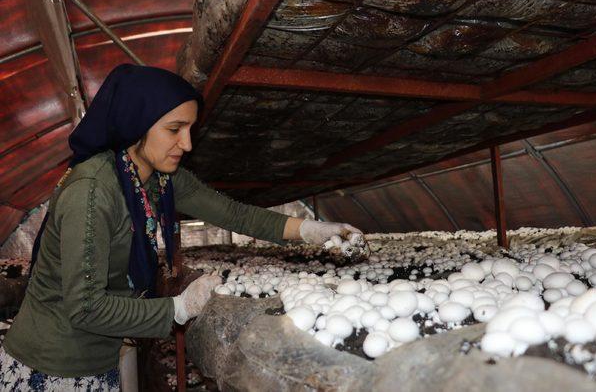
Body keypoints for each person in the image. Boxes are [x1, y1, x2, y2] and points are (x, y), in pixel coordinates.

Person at [0, 64, 367, 391]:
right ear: (136, 125)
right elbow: (85, 308)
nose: (187, 143)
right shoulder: (93, 191)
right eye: (174, 129)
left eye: (190, 129)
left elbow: (236, 214)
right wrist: (178, 307)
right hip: (53, 365)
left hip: (98, 355)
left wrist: (312, 230)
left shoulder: (159, 178)